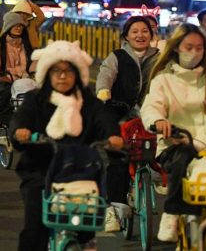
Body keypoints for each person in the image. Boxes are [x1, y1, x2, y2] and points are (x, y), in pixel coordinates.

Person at [10, 40, 122, 251]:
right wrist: (20, 132)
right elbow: (20, 119)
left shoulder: (88, 101)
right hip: (40, 171)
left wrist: (113, 136)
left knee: (87, 222)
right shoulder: (36, 100)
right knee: (35, 229)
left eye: (68, 71)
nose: (62, 76)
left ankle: (86, 241)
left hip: (80, 171)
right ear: (47, 74)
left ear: (78, 74)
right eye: (56, 71)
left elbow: (104, 118)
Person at [141, 23, 206, 243]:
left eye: (199, 48)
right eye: (189, 47)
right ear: (176, 48)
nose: (194, 52)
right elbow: (151, 107)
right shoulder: (163, 80)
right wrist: (158, 121)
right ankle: (172, 213)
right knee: (182, 158)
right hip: (178, 143)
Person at [94, 15, 160, 231]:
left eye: (145, 31)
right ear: (126, 36)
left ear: (151, 35)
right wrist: (104, 91)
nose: (140, 35)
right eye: (135, 31)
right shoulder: (117, 56)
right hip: (119, 111)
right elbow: (106, 74)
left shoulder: (161, 57)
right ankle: (113, 210)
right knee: (118, 158)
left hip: (152, 112)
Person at [0, 12, 34, 128]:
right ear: (8, 27)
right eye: (15, 25)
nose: (18, 28)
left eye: (21, 26)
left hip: (22, 81)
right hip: (1, 79)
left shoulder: (26, 46)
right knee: (8, 91)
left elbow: (33, 62)